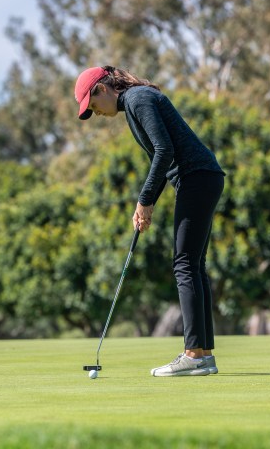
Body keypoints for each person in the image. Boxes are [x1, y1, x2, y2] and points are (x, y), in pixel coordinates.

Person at [74, 65, 225, 377]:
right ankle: (203, 355)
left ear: (102, 89)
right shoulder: (135, 102)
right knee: (194, 265)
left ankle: (193, 354)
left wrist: (144, 201)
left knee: (184, 264)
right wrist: (146, 203)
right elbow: (164, 157)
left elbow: (164, 151)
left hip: (197, 178)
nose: (96, 113)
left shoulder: (138, 99)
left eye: (92, 105)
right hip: (201, 178)